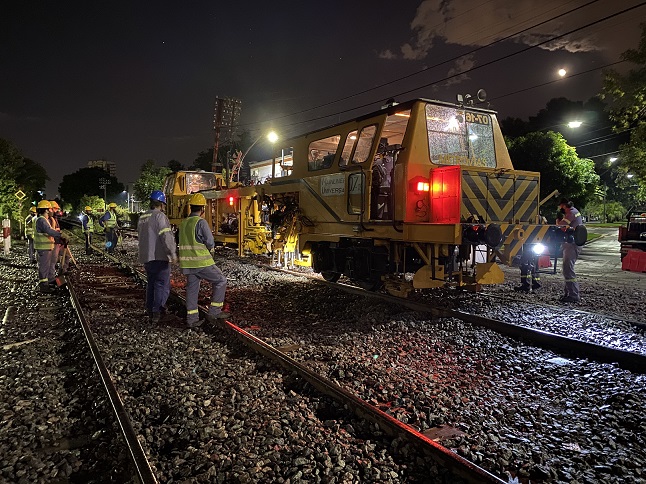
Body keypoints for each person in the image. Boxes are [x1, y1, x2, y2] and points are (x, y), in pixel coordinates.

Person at [179, 193, 228, 328]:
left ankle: (192, 320)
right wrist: (210, 249)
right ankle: (214, 311)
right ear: (203, 209)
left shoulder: (183, 223)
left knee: (192, 290)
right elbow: (210, 241)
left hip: (187, 264)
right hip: (201, 263)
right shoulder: (200, 222)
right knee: (221, 280)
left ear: (191, 207)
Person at [138, 190, 177, 324]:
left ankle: (149, 309)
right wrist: (172, 253)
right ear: (161, 204)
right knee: (161, 284)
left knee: (151, 284)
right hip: (159, 256)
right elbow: (166, 236)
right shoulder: (160, 216)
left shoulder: (143, 217)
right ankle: (157, 311)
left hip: (146, 257)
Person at [34, 200, 64, 293]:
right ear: (46, 210)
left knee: (46, 266)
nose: (52, 210)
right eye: (50, 208)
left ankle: (49, 281)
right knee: (44, 266)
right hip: (43, 248)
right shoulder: (41, 220)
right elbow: (49, 230)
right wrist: (60, 235)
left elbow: (50, 230)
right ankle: (43, 286)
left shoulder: (44, 219)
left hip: (46, 247)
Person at [557, 197, 584, 303]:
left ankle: (573, 295)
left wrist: (558, 220)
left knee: (568, 268)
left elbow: (561, 225)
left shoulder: (571, 213)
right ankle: (568, 293)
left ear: (564, 205)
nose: (560, 208)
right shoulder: (574, 211)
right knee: (566, 268)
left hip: (572, 244)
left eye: (560, 206)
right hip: (572, 243)